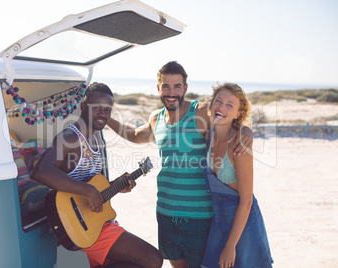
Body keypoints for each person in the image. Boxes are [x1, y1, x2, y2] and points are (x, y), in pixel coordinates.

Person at [107, 61, 253, 268]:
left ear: (185, 88)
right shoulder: (156, 118)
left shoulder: (201, 112)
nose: (171, 92)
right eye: (166, 86)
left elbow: (227, 122)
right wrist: (106, 119)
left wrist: (246, 131)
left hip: (200, 217)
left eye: (177, 86)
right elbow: (135, 135)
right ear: (159, 88)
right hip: (165, 213)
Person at [33, 82, 163, 268]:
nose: (103, 114)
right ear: (83, 107)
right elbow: (41, 170)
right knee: (153, 260)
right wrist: (88, 191)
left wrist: (115, 185)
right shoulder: (70, 138)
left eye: (108, 110)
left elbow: (91, 185)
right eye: (97, 108)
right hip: (77, 223)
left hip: (95, 220)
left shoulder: (95, 140)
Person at [201, 83, 273, 268]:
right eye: (218, 101)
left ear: (237, 114)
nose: (221, 107)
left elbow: (247, 201)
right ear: (211, 105)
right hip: (218, 220)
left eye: (229, 105)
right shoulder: (209, 135)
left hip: (244, 222)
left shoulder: (240, 145)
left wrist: (231, 246)